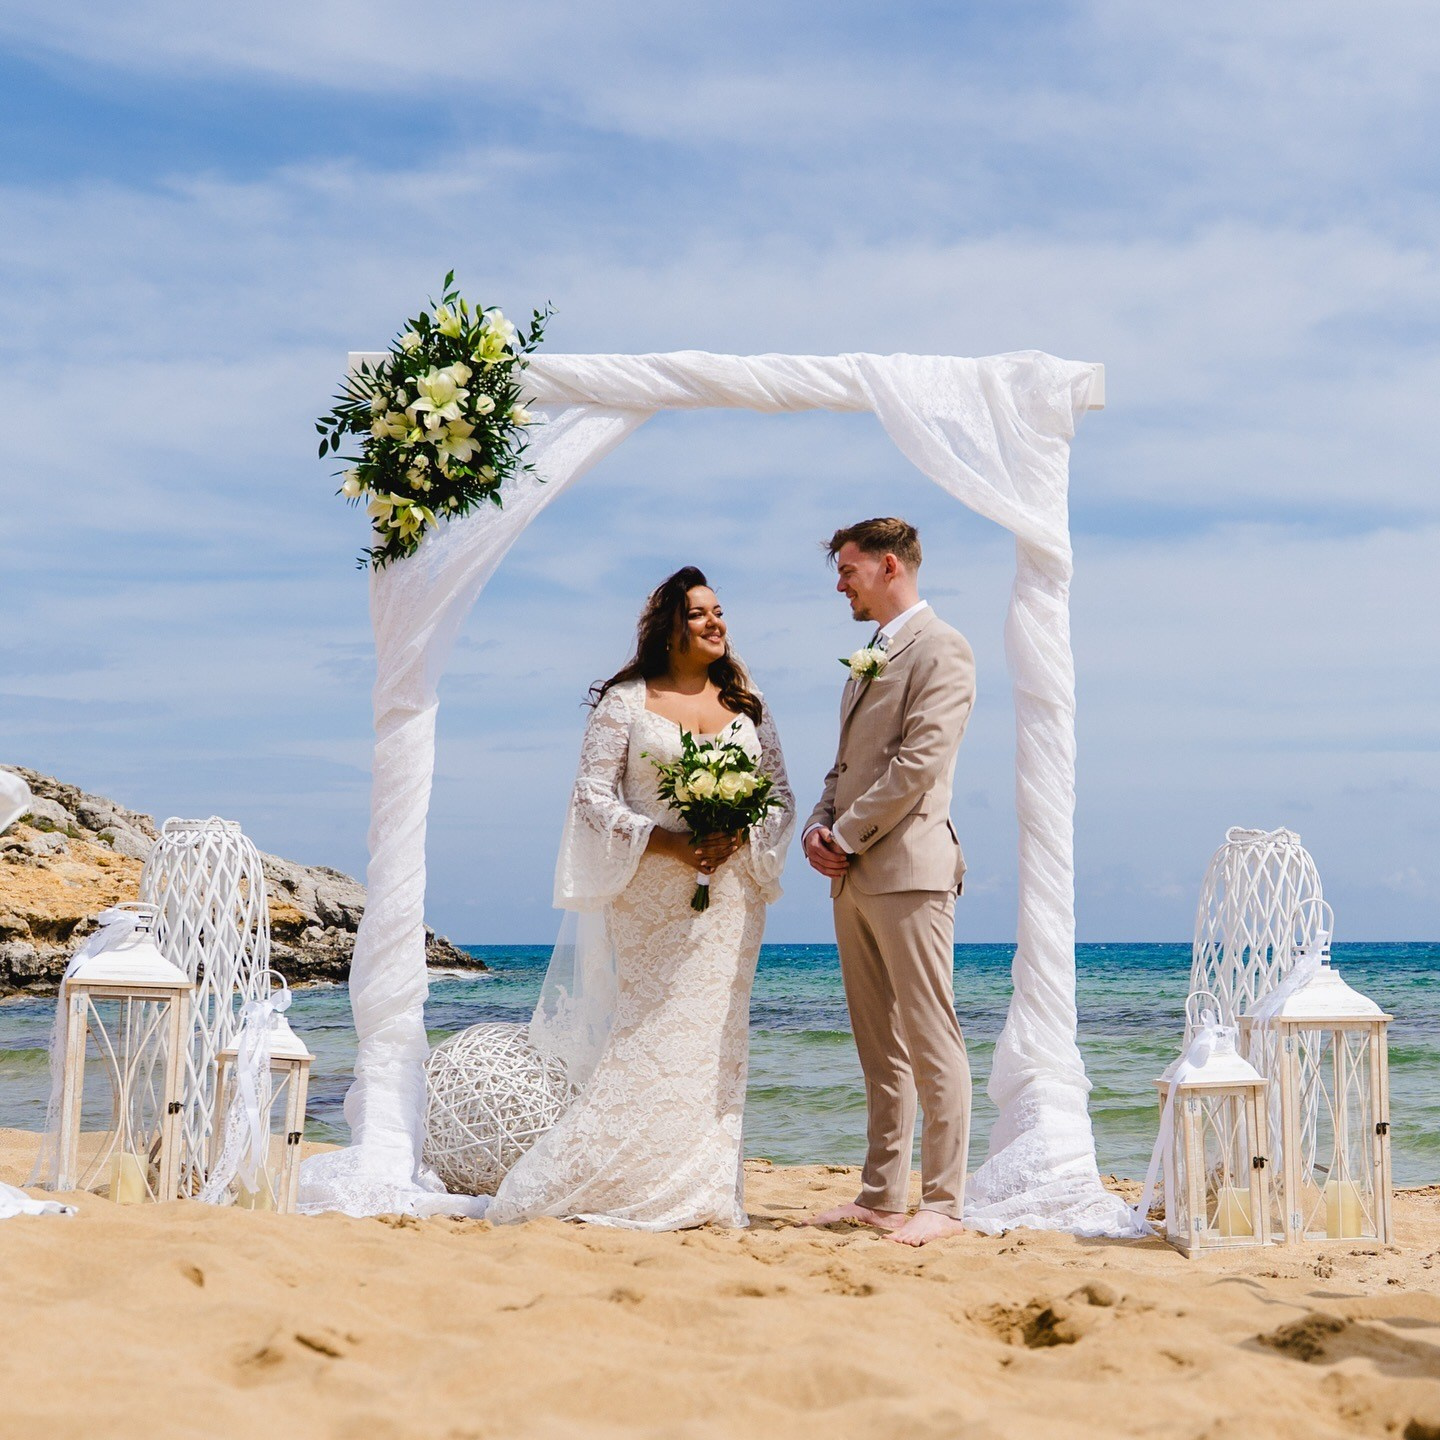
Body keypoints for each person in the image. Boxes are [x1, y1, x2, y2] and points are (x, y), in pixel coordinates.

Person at [487, 567, 794, 1229]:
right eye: (700, 614)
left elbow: (781, 796)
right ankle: (603, 1177)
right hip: (651, 892)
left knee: (717, 1039)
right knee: (647, 1034)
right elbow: (592, 798)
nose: (717, 623)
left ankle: (706, 1188)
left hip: (734, 894)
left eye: (720, 611)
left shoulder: (747, 703)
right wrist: (667, 840)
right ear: (669, 627)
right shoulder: (625, 702)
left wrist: (737, 834)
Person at [802, 517, 976, 1246]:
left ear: (887, 566)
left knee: (932, 1037)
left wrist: (844, 835)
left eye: (847, 569)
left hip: (908, 871)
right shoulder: (870, 655)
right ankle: (880, 1196)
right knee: (878, 1045)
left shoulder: (943, 649)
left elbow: (918, 766)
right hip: (852, 875)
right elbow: (848, 766)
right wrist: (817, 824)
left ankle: (944, 1200)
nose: (839, 583)